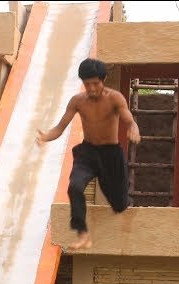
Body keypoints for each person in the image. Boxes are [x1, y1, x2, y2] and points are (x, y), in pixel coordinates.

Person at [36, 58, 140, 250]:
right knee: (74, 186)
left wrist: (133, 127)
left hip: (110, 155)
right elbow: (60, 128)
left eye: (95, 84)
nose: (91, 88)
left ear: (104, 80)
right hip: (88, 152)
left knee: (119, 205)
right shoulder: (77, 101)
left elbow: (128, 118)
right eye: (87, 84)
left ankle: (120, 202)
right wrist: (45, 137)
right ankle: (82, 233)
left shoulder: (114, 98)